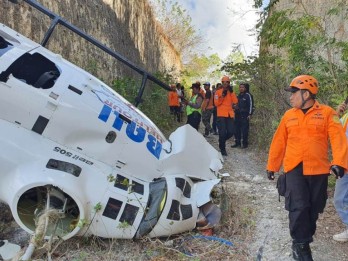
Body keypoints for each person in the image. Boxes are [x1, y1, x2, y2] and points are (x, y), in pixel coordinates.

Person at [266, 75, 348, 261]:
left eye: (294, 93)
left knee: (314, 208)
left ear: (306, 94)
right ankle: (300, 246)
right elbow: (279, 141)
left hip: (318, 169)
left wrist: (339, 162)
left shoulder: (327, 113)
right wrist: (272, 165)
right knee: (298, 207)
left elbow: (338, 138)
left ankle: (304, 238)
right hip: (294, 168)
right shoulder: (289, 115)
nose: (291, 97)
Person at [333, 100, 348, 242]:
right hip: (344, 167)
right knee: (339, 199)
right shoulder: (345, 117)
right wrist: (337, 114)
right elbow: (333, 131)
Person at [214, 76, 238, 156]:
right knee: (222, 132)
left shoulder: (231, 92)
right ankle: (222, 148)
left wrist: (231, 93)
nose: (225, 84)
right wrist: (222, 96)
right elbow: (216, 104)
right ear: (222, 83)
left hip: (229, 114)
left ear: (229, 83)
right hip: (221, 115)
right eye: (224, 82)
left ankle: (221, 140)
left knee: (231, 132)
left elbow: (235, 101)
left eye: (227, 82)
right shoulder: (218, 92)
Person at [231, 83, 253, 148]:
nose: (241, 88)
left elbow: (251, 105)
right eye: (240, 87)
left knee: (244, 130)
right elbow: (235, 103)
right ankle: (237, 143)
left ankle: (245, 144)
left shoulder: (248, 95)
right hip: (237, 115)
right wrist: (234, 106)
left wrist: (250, 114)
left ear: (245, 88)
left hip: (245, 116)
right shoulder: (238, 95)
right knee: (236, 130)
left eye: (242, 87)